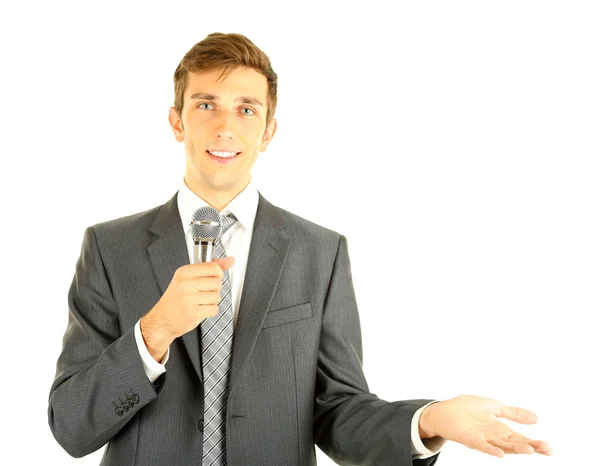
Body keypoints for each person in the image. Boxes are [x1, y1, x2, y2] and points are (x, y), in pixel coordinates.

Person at [47, 32, 553, 465]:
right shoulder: (109, 248)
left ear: (268, 132)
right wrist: (155, 332)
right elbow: (71, 428)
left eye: (246, 110)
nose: (225, 126)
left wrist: (430, 419)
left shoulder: (320, 252)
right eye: (206, 105)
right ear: (177, 121)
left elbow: (340, 412)